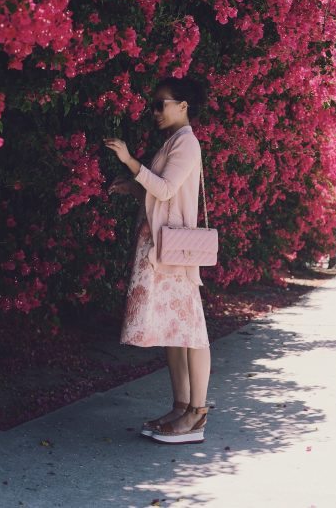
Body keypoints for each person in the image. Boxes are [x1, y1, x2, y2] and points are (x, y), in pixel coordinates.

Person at [104, 77, 211, 444]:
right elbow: (161, 193)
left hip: (175, 250)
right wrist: (132, 185)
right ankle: (181, 407)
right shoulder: (173, 141)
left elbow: (165, 189)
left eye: (160, 104)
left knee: (192, 331)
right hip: (161, 246)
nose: (154, 111)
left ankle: (196, 414)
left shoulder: (187, 143)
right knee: (174, 330)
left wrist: (130, 161)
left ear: (183, 105)